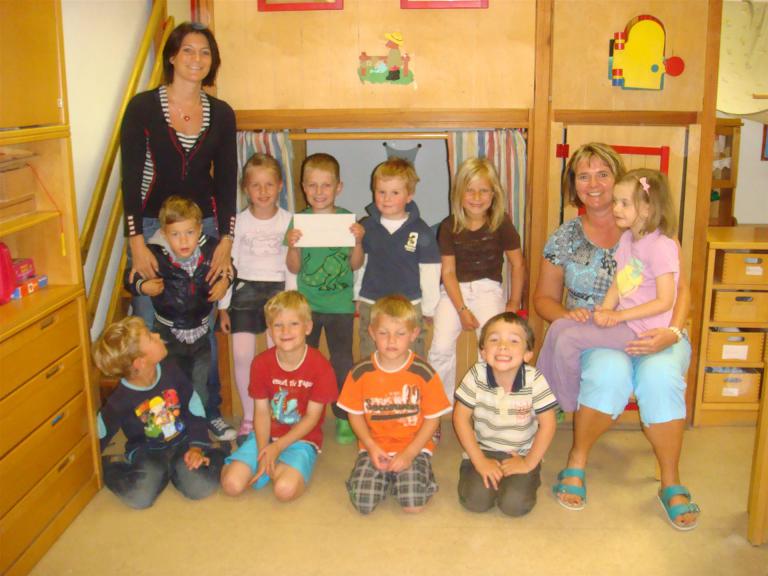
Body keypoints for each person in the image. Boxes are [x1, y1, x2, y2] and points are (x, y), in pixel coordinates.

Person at [533, 143, 699, 530]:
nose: (593, 184)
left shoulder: (655, 235)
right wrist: (570, 315)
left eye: (603, 174)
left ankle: (670, 480)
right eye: (583, 175)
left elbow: (680, 292)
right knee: (608, 373)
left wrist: (672, 332)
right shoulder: (565, 237)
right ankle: (576, 460)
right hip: (600, 331)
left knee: (660, 378)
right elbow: (543, 299)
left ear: (622, 183)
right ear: (574, 185)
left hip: (659, 329)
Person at [120, 21, 237, 440]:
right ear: (172, 56)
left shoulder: (221, 114)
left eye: (205, 52)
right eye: (188, 50)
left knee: (201, 323)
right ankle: (158, 421)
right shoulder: (143, 108)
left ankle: (209, 411)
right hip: (153, 227)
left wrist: (226, 239)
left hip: (204, 227)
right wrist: (136, 240)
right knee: (148, 324)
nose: (196, 59)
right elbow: (131, 176)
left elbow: (227, 179)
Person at [538, 168, 686, 399]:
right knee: (558, 328)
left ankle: (564, 403)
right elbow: (618, 281)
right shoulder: (627, 238)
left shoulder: (661, 245)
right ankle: (539, 397)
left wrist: (617, 316)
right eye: (616, 202)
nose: (616, 208)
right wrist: (605, 310)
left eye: (624, 204)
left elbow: (665, 301)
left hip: (642, 330)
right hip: (625, 321)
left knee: (568, 340)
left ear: (648, 208)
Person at [125, 196, 235, 441]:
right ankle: (175, 428)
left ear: (200, 229)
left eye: (189, 233)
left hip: (201, 333)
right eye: (175, 234)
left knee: (202, 382)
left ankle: (205, 420)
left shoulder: (211, 250)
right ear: (164, 233)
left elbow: (230, 268)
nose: (184, 241)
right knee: (172, 384)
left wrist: (225, 281)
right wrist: (143, 286)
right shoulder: (155, 254)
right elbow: (130, 279)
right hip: (169, 335)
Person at [93, 316, 225, 509]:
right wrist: (90, 464)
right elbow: (100, 431)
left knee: (200, 488)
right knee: (139, 498)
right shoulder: (120, 399)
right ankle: (113, 464)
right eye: (150, 337)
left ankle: (216, 451)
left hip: (182, 443)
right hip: (147, 452)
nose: (156, 335)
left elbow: (193, 406)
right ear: (140, 363)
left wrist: (197, 446)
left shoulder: (171, 370)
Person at [337, 295, 451, 515]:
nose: (391, 341)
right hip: (375, 447)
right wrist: (370, 446)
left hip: (414, 447)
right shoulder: (360, 372)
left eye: (400, 333)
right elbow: (355, 415)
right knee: (363, 503)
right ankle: (387, 478)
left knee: (413, 505)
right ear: (372, 333)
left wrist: (409, 454)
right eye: (383, 333)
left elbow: (433, 419)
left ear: (414, 334)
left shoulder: (424, 373)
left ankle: (415, 477)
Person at [219, 291, 338, 502]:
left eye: (294, 324)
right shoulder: (261, 363)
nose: (285, 331)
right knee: (231, 485)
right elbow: (261, 412)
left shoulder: (321, 366)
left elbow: (312, 418)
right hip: (265, 435)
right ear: (269, 329)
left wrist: (277, 447)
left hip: (302, 438)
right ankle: (242, 458)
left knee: (284, 490)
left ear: (308, 327)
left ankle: (282, 466)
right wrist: (264, 450)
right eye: (278, 325)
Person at [428, 157, 525, 401]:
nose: (477, 197)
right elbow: (448, 273)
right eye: (470, 190)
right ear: (459, 193)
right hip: (453, 291)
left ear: (494, 193)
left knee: (494, 345)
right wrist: (462, 309)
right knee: (440, 348)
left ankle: (489, 402)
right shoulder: (449, 226)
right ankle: (439, 405)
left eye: (484, 191)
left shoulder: (501, 223)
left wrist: (513, 302)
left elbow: (517, 264)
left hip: (488, 290)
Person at [285, 153, 365, 445]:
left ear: (338, 187)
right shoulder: (298, 222)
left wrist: (358, 241)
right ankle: (304, 416)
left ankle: (343, 416)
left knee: (342, 362)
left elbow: (355, 264)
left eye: (326, 185)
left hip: (340, 307)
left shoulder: (347, 221)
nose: (319, 192)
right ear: (303, 187)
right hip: (306, 308)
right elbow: (294, 267)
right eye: (312, 185)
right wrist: (293, 246)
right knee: (305, 362)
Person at [219, 153, 293, 442]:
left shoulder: (289, 221)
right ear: (245, 188)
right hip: (244, 289)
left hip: (278, 290)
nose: (263, 192)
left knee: (279, 354)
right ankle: (250, 416)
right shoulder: (238, 223)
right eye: (255, 185)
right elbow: (230, 264)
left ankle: (275, 413)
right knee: (242, 355)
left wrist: (292, 301)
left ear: (280, 186)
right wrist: (223, 306)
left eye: (269, 185)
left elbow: (292, 264)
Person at [453, 312, 557, 516]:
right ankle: (475, 471)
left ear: (527, 354)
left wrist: (528, 463)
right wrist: (479, 460)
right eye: (494, 339)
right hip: (484, 449)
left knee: (514, 506)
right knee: (475, 501)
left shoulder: (535, 380)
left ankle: (527, 477)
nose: (502, 346)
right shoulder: (476, 375)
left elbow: (548, 424)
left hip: (521, 453)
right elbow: (460, 418)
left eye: (514, 341)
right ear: (483, 352)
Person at [357, 157, 441, 362]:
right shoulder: (366, 227)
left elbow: (430, 271)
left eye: (395, 193)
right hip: (372, 303)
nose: (387, 198)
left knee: (412, 358)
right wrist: (357, 296)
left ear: (409, 195)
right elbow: (360, 265)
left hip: (409, 305)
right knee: (370, 356)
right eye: (381, 192)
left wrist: (429, 308)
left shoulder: (421, 231)